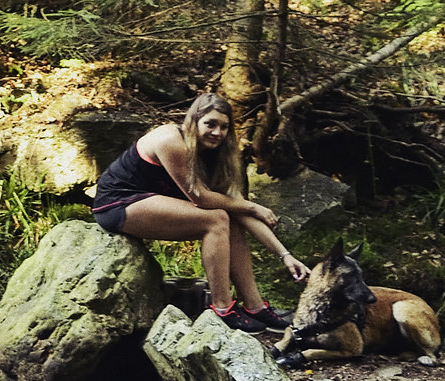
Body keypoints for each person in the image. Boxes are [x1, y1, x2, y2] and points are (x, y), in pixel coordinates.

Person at [91, 93, 310, 333]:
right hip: (117, 204)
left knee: (230, 220)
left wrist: (285, 255)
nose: (217, 132)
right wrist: (253, 205)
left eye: (224, 127)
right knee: (216, 219)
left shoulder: (217, 154)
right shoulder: (170, 140)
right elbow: (200, 197)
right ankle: (222, 308)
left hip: (150, 202)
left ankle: (255, 307)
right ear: (193, 121)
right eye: (210, 124)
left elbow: (236, 208)